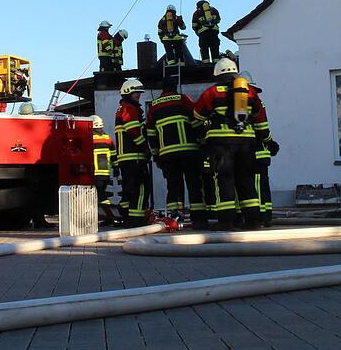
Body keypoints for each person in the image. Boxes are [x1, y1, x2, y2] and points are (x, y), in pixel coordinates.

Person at [193, 59, 278, 231]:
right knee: (246, 180)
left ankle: (226, 222)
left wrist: (202, 134)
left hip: (221, 143)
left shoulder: (211, 92)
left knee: (224, 180)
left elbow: (197, 117)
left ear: (217, 73)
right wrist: (269, 141)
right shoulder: (250, 92)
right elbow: (260, 121)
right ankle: (253, 221)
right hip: (246, 143)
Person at [145, 76, 207, 230]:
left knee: (173, 186)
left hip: (167, 155)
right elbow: (196, 121)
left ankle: (174, 219)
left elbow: (151, 134)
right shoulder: (184, 100)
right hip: (189, 151)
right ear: (175, 86)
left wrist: (156, 155)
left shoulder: (153, 106)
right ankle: (199, 220)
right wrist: (201, 141)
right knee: (194, 185)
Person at [241, 72, 279, 228]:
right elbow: (263, 128)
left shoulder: (243, 104)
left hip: (252, 151)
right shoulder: (255, 104)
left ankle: (260, 217)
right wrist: (270, 143)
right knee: (261, 185)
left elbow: (261, 128)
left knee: (255, 185)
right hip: (257, 151)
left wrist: (269, 142)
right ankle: (265, 216)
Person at [113, 78, 150, 227]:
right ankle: (137, 220)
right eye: (136, 93)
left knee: (129, 189)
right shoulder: (129, 108)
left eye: (139, 93)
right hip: (134, 156)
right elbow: (134, 130)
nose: (138, 96)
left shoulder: (122, 108)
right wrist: (144, 148)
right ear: (128, 92)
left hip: (126, 158)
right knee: (140, 188)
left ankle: (126, 215)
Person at [90, 115, 116, 223]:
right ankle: (108, 217)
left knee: (101, 196)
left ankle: (109, 217)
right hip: (105, 173)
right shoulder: (107, 138)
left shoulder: (91, 139)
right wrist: (116, 167)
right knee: (102, 195)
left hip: (95, 173)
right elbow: (114, 154)